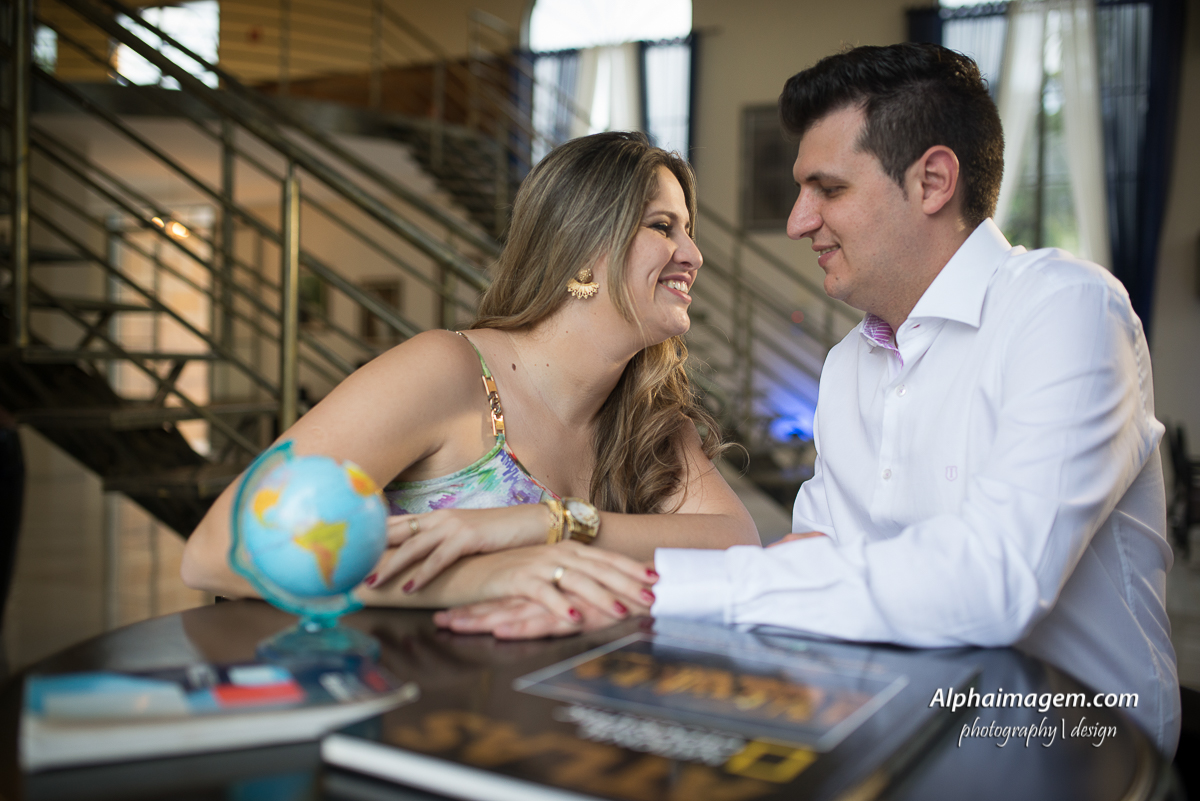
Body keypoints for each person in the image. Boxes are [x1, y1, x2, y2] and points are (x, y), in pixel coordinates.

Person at [439, 44, 1180, 754]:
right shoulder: (848, 364)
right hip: (888, 725)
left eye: (827, 189)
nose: (797, 221)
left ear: (932, 181)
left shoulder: (1067, 308)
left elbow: (994, 581)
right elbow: (811, 560)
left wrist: (653, 589)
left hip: (1070, 745)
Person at [181, 131, 760, 632]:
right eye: (663, 226)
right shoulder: (446, 371)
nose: (694, 254)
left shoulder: (649, 415)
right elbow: (215, 553)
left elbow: (738, 543)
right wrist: (479, 575)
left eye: (688, 228)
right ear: (584, 250)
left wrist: (550, 525)